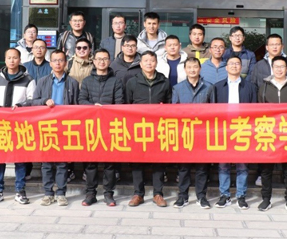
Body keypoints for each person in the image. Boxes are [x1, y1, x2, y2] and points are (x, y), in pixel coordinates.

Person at [256, 55, 287, 214]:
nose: (279, 69)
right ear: (272, 69)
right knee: (266, 169)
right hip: (269, 133)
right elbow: (258, 111)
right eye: (276, 67)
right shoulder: (264, 87)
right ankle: (266, 199)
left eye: (282, 67)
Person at [31, 49, 80, 206]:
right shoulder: (42, 81)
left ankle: (61, 193)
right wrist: (44, 101)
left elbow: (77, 106)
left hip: (64, 127)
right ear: (50, 63)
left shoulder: (72, 83)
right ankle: (48, 193)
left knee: (62, 163)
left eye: (61, 60)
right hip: (46, 126)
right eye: (54, 60)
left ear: (65, 63)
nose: (58, 63)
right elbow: (34, 102)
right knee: (46, 163)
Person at [0, 48, 35, 206]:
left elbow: (32, 100)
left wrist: (20, 106)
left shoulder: (28, 79)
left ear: (20, 60)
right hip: (1, 125)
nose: (12, 60)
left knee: (20, 159)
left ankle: (20, 190)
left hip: (20, 125)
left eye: (15, 58)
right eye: (9, 58)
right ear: (5, 60)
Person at [78, 48, 124, 207]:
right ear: (94, 61)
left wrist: (105, 109)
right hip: (91, 127)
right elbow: (81, 100)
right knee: (90, 162)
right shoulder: (87, 81)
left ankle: (108, 194)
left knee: (109, 163)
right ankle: (90, 193)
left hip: (110, 126)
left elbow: (119, 103)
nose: (101, 62)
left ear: (109, 61)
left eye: (105, 59)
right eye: (98, 59)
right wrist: (93, 107)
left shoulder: (116, 81)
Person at [125, 50, 171, 207]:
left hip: (158, 128)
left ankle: (158, 193)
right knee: (137, 160)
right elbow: (127, 105)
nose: (149, 63)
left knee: (158, 160)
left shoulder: (164, 82)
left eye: (152, 61)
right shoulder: (132, 82)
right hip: (138, 128)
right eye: (146, 61)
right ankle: (138, 194)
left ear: (156, 63)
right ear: (140, 64)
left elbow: (170, 105)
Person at [213, 55, 259, 210]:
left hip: (243, 129)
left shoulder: (250, 87)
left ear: (241, 67)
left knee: (242, 165)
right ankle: (224, 195)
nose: (234, 66)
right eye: (231, 63)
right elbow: (211, 110)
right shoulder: (217, 87)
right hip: (223, 130)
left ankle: (241, 196)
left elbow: (255, 110)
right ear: (226, 67)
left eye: (237, 63)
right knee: (223, 165)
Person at [172, 57, 215, 209]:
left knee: (202, 168)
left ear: (200, 69)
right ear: (185, 70)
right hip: (184, 133)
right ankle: (182, 196)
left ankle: (201, 197)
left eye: (195, 67)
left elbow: (214, 111)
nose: (192, 70)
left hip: (203, 133)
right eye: (189, 67)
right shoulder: (177, 88)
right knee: (184, 168)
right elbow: (173, 112)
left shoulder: (209, 87)